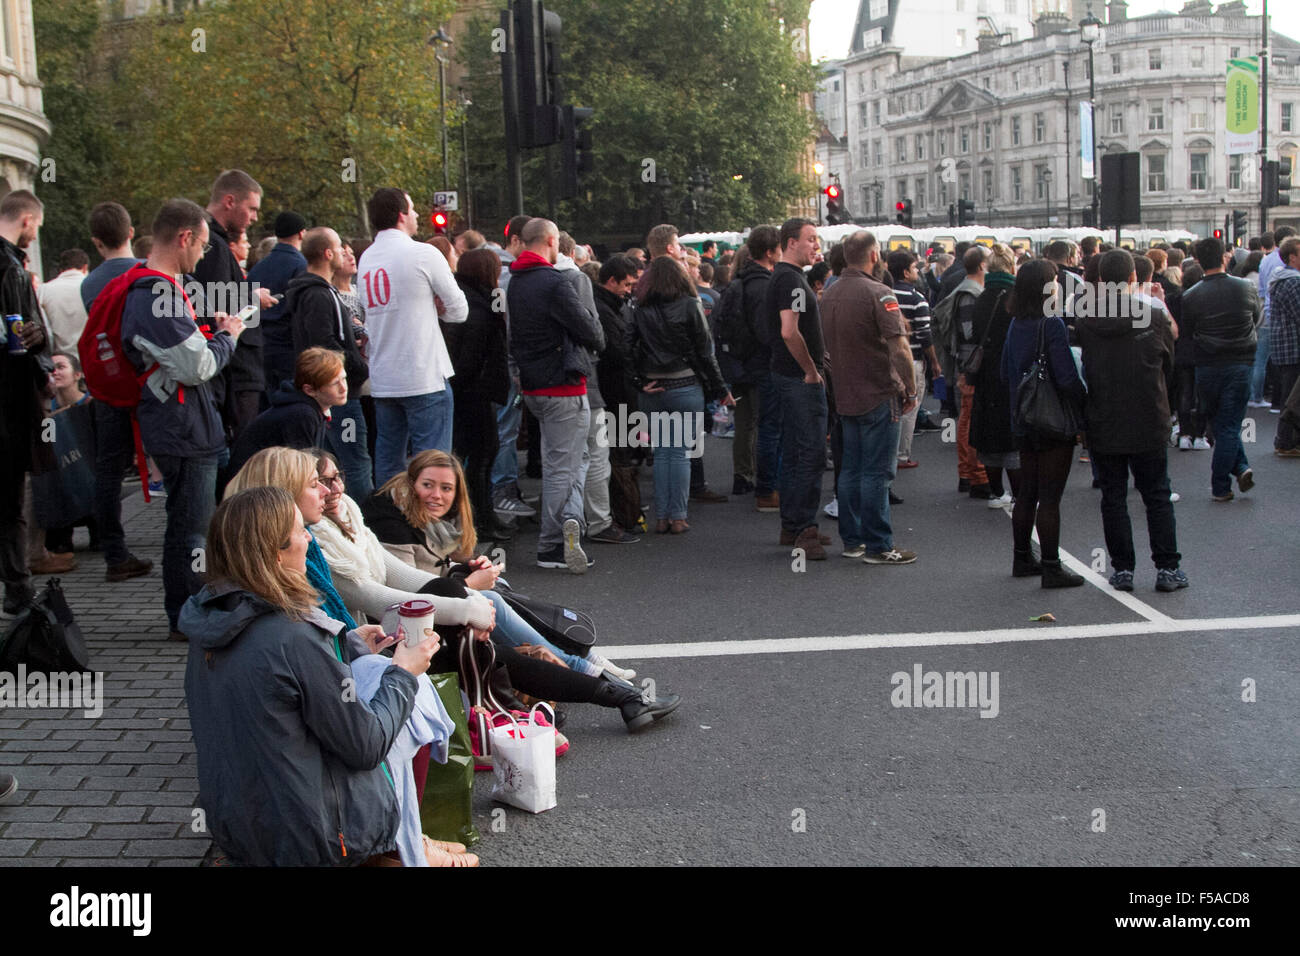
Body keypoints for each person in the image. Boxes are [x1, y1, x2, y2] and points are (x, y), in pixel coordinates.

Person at [293, 449, 678, 732]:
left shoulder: (351, 517)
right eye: (318, 482)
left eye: (335, 477)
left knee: (480, 617)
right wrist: (467, 603)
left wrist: (464, 593)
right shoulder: (324, 535)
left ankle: (601, 688)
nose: (332, 489)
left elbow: (407, 579)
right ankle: (597, 686)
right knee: (481, 628)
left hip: (388, 631)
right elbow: (377, 597)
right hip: (363, 649)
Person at [179, 485, 462, 867]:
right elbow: (366, 746)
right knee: (402, 708)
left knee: (373, 673)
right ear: (275, 555)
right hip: (309, 840)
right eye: (299, 532)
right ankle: (402, 848)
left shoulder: (210, 622)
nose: (308, 538)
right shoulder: (291, 634)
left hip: (240, 828)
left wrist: (348, 647)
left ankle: (409, 842)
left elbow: (278, 696)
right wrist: (405, 671)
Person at [359, 448, 636, 681]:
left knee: (497, 586)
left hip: (440, 604)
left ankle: (581, 655)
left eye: (446, 489)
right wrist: (467, 583)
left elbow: (452, 555)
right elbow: (410, 600)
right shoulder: (390, 523)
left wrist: (474, 566)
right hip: (402, 625)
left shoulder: (431, 514)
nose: (436, 495)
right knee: (489, 597)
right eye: (427, 485)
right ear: (411, 483)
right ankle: (578, 664)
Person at [121, 199, 245, 638]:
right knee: (191, 529)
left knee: (193, 524)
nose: (202, 256)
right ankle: (187, 616)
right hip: (182, 427)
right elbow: (195, 367)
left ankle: (192, 609)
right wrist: (227, 338)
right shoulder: (155, 293)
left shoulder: (162, 288)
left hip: (184, 423)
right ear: (184, 238)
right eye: (203, 245)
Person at [1078, 249, 1187, 593]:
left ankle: (1123, 569)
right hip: (1147, 414)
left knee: (1113, 496)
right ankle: (1167, 568)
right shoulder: (1152, 318)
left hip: (1104, 416)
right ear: (1132, 279)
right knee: (1156, 493)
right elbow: (1168, 364)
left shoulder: (1087, 320)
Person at [507, 218, 606, 572]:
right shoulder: (555, 282)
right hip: (564, 385)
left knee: (569, 461)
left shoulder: (515, 282)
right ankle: (552, 544)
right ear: (552, 241)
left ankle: (570, 524)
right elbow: (592, 331)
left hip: (534, 385)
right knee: (565, 467)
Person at [359, 188, 468, 484]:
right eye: (412, 209)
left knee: (389, 462)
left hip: (384, 377)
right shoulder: (424, 253)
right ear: (401, 215)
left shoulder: (366, 258)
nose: (418, 214)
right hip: (423, 375)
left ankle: (390, 525)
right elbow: (459, 310)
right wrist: (438, 308)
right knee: (432, 467)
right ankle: (428, 528)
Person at [821, 231, 917, 565]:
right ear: (873, 255)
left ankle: (853, 539)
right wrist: (912, 387)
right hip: (877, 391)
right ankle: (879, 545)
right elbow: (899, 347)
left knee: (850, 469)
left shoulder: (829, 294)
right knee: (877, 472)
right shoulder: (878, 292)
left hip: (845, 392)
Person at [630, 256, 734, 534]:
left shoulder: (638, 308)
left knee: (662, 452)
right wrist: (721, 389)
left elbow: (626, 349)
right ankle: (677, 516)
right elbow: (705, 352)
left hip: (652, 387)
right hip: (685, 384)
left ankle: (662, 517)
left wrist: (639, 381)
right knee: (679, 453)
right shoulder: (690, 305)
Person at [1001, 259, 1086, 587]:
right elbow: (1065, 377)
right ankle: (1051, 566)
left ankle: (1022, 557)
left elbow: (1003, 372)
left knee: (1026, 494)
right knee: (1050, 496)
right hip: (1050, 418)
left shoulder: (1015, 322)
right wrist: (1083, 401)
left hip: (1022, 416)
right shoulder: (1052, 324)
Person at [80, 202, 152, 584]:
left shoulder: (90, 283)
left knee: (108, 469)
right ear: (130, 232)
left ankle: (114, 551)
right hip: (152, 387)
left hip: (110, 388)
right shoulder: (146, 273)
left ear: (96, 241)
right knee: (176, 469)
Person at [286, 227, 372, 498]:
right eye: (340, 248)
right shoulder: (319, 295)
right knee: (355, 463)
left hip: (334, 391)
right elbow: (325, 344)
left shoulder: (319, 292)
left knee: (338, 461)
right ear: (327, 253)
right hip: (338, 394)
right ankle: (363, 524)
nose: (346, 252)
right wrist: (359, 368)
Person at [0, 190, 53, 617]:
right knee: (9, 504)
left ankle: (17, 589)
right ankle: (17, 592)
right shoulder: (11, 270)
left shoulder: (14, 268)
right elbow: (24, 344)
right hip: (9, 406)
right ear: (27, 220)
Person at [192, 170, 276, 441]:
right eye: (251, 208)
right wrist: (253, 299)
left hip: (231, 367)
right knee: (242, 451)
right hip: (235, 371)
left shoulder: (213, 243)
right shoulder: (212, 246)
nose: (254, 217)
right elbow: (213, 305)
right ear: (229, 201)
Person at [763, 218, 830, 558]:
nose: (815, 245)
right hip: (798, 379)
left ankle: (794, 524)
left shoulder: (791, 279)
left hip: (789, 377)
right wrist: (810, 371)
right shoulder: (790, 280)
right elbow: (790, 331)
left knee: (794, 451)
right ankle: (805, 529)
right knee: (809, 453)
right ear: (791, 242)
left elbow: (795, 325)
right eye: (810, 239)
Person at [1180, 236, 1261, 501]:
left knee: (1221, 423)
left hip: (1208, 365)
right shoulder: (1246, 287)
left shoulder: (1191, 296)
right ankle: (1221, 484)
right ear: (1224, 257)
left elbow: (1188, 332)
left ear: (1199, 261)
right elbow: (1256, 317)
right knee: (1229, 426)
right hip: (1239, 362)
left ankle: (1240, 468)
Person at [444, 248, 510, 539]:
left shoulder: (468, 300)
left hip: (470, 390)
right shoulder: (480, 307)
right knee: (482, 456)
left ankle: (481, 517)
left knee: (477, 455)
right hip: (475, 391)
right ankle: (481, 519)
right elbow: (470, 357)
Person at [225, 347, 348, 484]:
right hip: (250, 488)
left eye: (344, 379)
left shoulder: (309, 409)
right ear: (309, 390)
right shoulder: (301, 414)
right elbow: (302, 473)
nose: (343, 388)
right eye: (334, 383)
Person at [33, 353, 98, 568]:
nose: (55, 373)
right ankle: (59, 540)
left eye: (61, 367)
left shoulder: (91, 404)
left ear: (77, 374)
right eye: (50, 369)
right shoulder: (44, 410)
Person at [967, 243, 1019, 508]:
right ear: (1012, 267)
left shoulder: (982, 297)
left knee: (989, 434)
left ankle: (997, 492)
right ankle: (1020, 492)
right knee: (1012, 435)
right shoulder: (1017, 295)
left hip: (986, 373)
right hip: (1012, 372)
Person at [886, 250, 939, 472]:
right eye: (915, 268)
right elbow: (925, 335)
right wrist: (934, 363)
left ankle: (889, 451)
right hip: (912, 359)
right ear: (906, 272)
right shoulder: (917, 299)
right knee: (910, 406)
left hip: (886, 361)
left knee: (891, 409)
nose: (918, 271)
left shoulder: (884, 294)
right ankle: (901, 455)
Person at [250, 210, 310, 391]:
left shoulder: (258, 268)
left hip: (260, 345)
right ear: (301, 233)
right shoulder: (302, 266)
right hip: (289, 347)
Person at [1268, 236, 1300, 457]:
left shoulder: (1280, 278)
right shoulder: (1293, 282)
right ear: (1292, 257)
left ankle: (1286, 440)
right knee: (1292, 398)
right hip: (1293, 347)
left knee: (1290, 396)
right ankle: (1286, 442)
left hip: (1283, 345)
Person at [37, 248, 89, 354]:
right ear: (85, 268)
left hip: (59, 359)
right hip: (90, 357)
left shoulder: (43, 290)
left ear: (61, 270)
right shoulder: (94, 287)